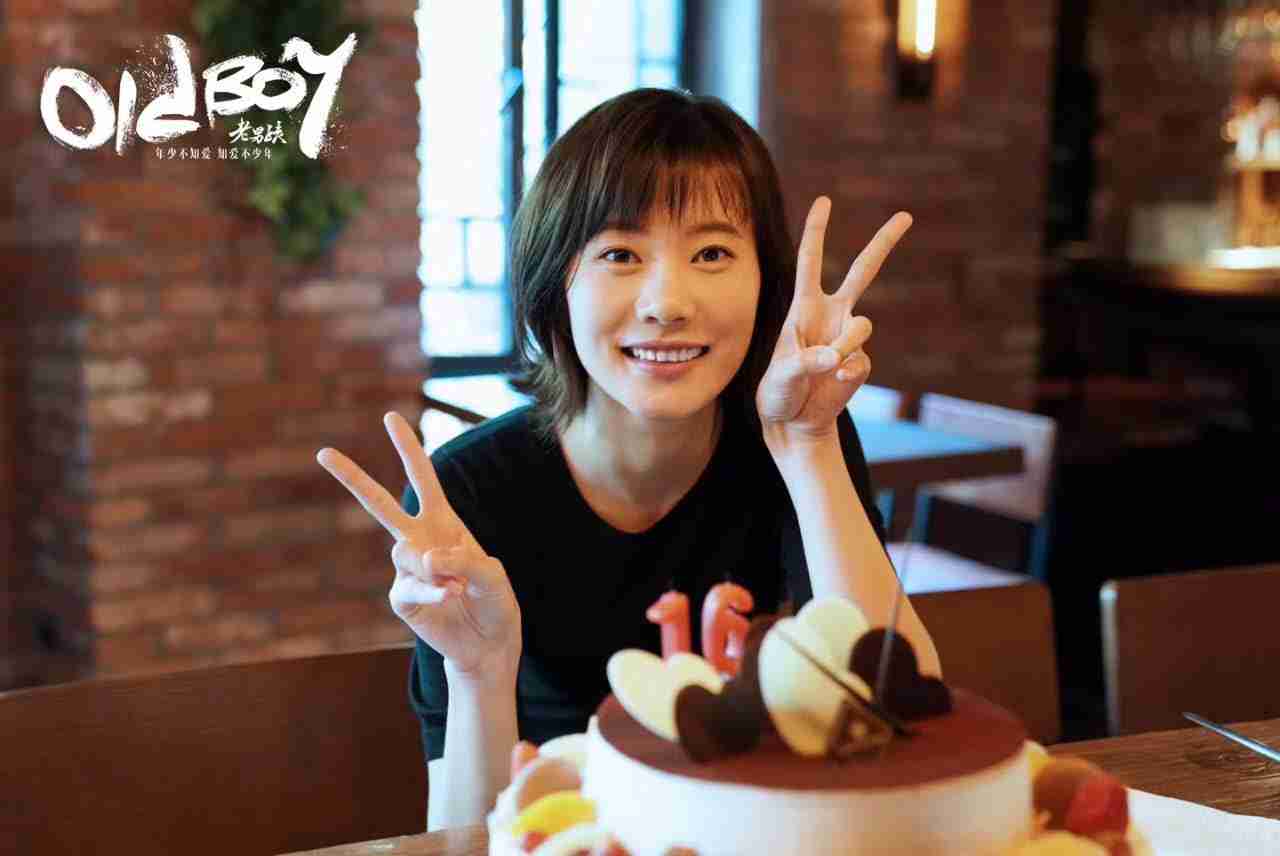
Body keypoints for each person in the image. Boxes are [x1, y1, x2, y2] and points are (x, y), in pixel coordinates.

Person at [317, 87, 940, 830]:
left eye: (712, 253)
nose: (665, 303)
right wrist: (479, 670)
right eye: (620, 254)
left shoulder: (801, 441)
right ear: (555, 283)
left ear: (765, 283)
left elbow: (903, 713)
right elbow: (462, 837)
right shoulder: (469, 494)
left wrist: (809, 448)